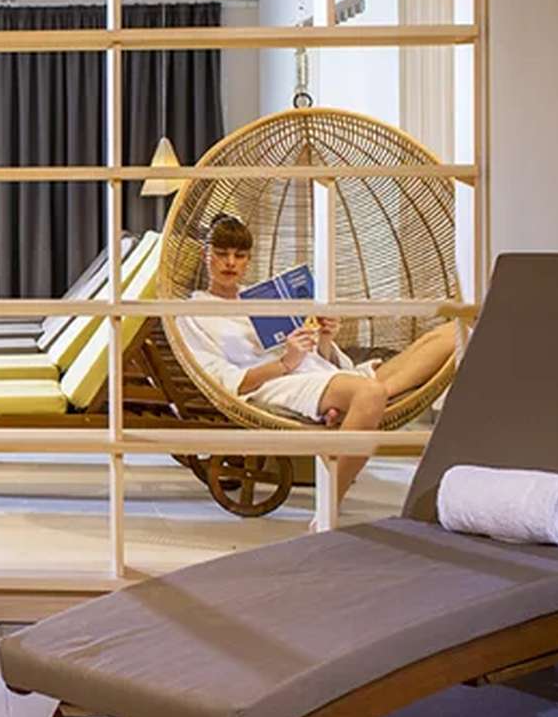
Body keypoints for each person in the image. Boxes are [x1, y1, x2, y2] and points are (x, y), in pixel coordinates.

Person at [175, 213, 460, 504]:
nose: (230, 263)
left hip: (321, 372)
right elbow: (223, 381)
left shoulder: (263, 298)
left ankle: (359, 405)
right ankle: (329, 503)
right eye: (221, 254)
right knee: (370, 393)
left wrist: (324, 337)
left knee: (452, 334)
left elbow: (321, 359)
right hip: (276, 383)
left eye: (239, 255)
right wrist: (285, 363)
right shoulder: (192, 313)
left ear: (248, 259)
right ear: (206, 254)